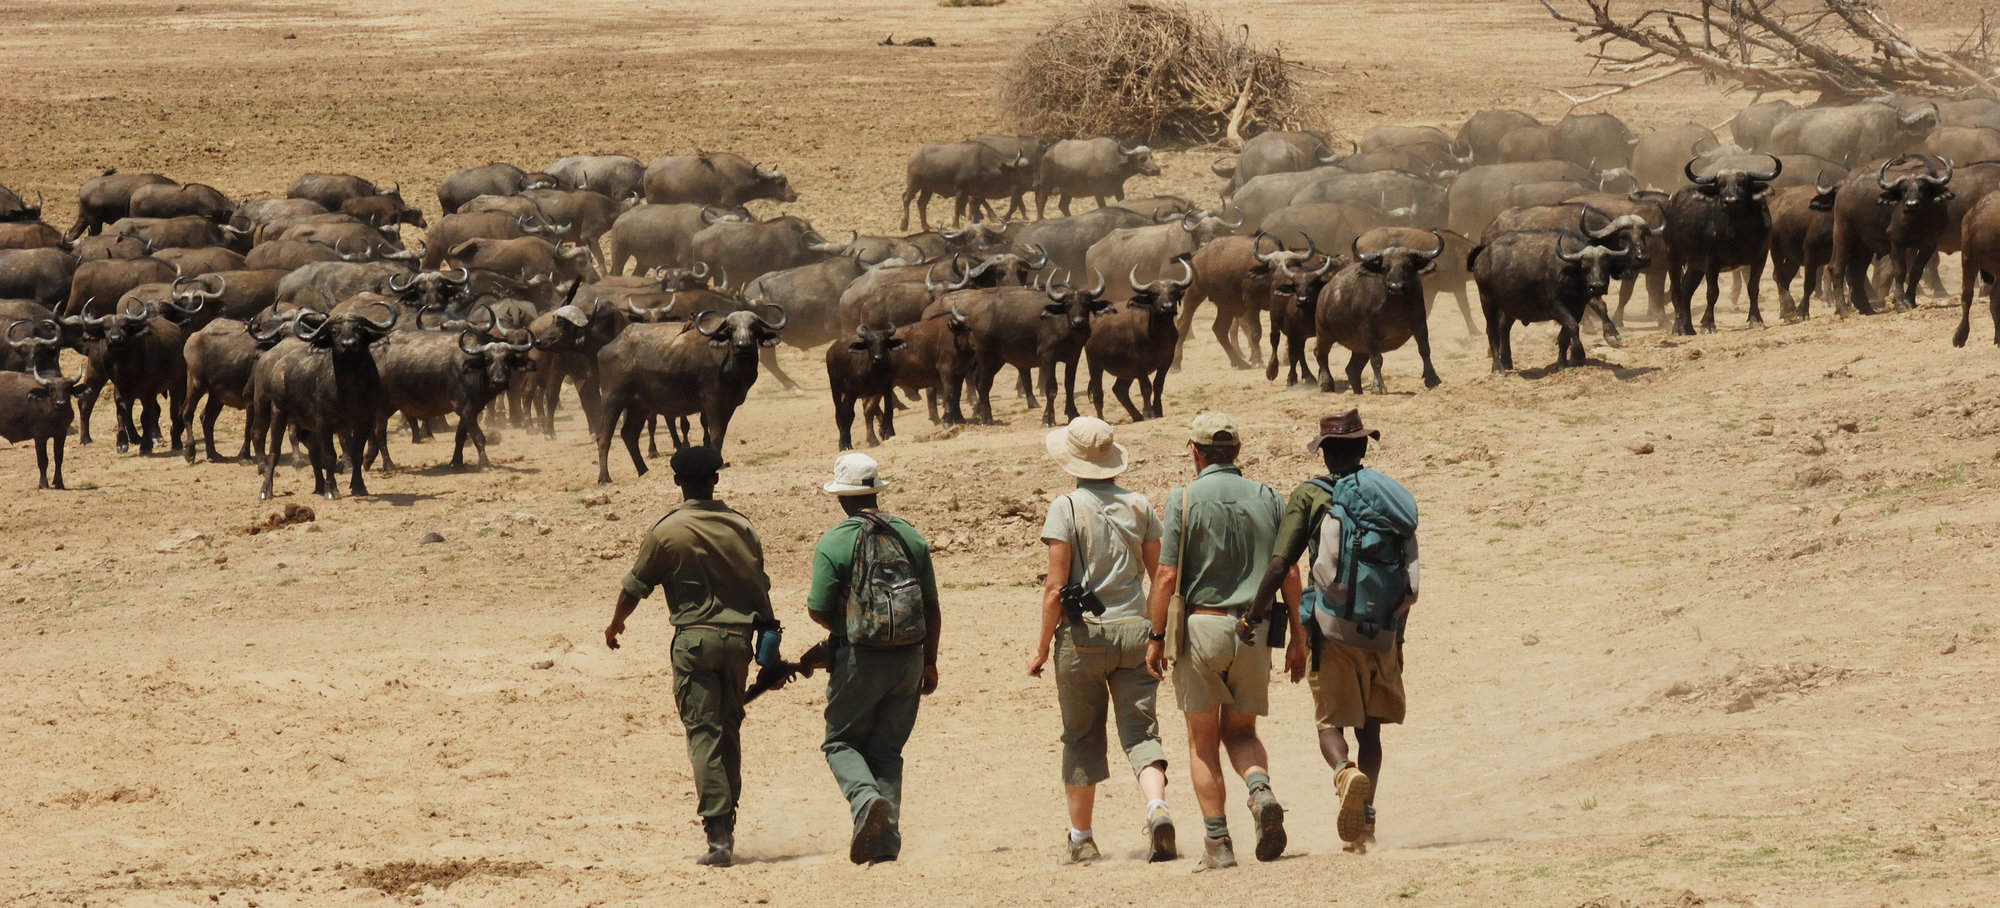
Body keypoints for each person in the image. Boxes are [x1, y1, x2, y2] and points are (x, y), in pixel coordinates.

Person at [1247, 409, 1419, 853]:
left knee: (1329, 723)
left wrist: (1253, 615)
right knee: (1372, 733)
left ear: (1324, 455)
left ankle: (1344, 773)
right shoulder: (1385, 497)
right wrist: (1397, 639)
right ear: (1363, 448)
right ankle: (1365, 821)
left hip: (1331, 628)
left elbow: (1281, 563)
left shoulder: (1309, 495)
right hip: (1382, 628)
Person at [1144, 412, 1307, 870]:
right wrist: (1298, 637)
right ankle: (1261, 791)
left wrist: (1155, 637)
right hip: (1253, 630)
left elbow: (1166, 574)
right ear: (1238, 451)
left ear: (1194, 452)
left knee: (1202, 741)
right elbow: (1290, 571)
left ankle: (1217, 843)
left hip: (1202, 627)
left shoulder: (1184, 499)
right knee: (1242, 732)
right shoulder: (1269, 497)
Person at [603, 445, 774, 867]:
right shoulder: (743, 527)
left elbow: (635, 586)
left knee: (704, 733)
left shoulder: (667, 531)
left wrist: (616, 623)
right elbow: (760, 587)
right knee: (730, 727)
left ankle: (718, 837)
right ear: (715, 480)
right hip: (740, 642)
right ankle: (728, 819)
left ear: (678, 482)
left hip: (694, 641)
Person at [1029, 417, 1174, 864]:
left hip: (1083, 637)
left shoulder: (1065, 507)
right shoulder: (1139, 505)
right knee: (1141, 732)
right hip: (1135, 630)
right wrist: (1158, 635)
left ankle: (1082, 838)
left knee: (1081, 736)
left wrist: (1040, 648)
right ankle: (1157, 807)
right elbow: (1159, 576)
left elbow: (1055, 588)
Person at [805, 452, 943, 864]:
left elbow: (817, 608)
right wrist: (931, 661)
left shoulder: (835, 541)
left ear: (841, 497)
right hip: (910, 657)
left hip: (859, 657)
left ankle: (865, 801)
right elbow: (932, 607)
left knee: (840, 740)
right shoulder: (910, 536)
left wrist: (848, 629)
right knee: (886, 750)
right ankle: (886, 841)